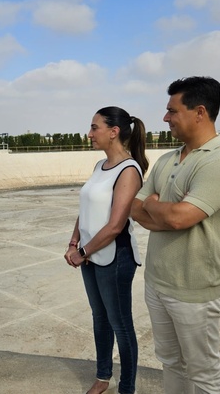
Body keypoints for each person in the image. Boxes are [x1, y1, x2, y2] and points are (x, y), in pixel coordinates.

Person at [131, 76, 220, 394]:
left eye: (172, 110)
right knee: (171, 362)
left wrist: (158, 207)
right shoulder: (168, 159)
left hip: (195, 292)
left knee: (204, 373)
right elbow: (135, 208)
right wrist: (164, 211)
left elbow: (182, 218)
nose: (165, 118)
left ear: (199, 112)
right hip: (157, 283)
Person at [65, 106, 149, 394]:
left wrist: (83, 251)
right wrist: (74, 243)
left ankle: (126, 387)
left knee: (121, 325)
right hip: (89, 255)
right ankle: (103, 377)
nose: (89, 134)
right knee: (99, 318)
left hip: (115, 258)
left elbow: (115, 226)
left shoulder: (129, 170)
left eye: (94, 128)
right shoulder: (99, 167)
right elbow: (85, 209)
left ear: (114, 132)